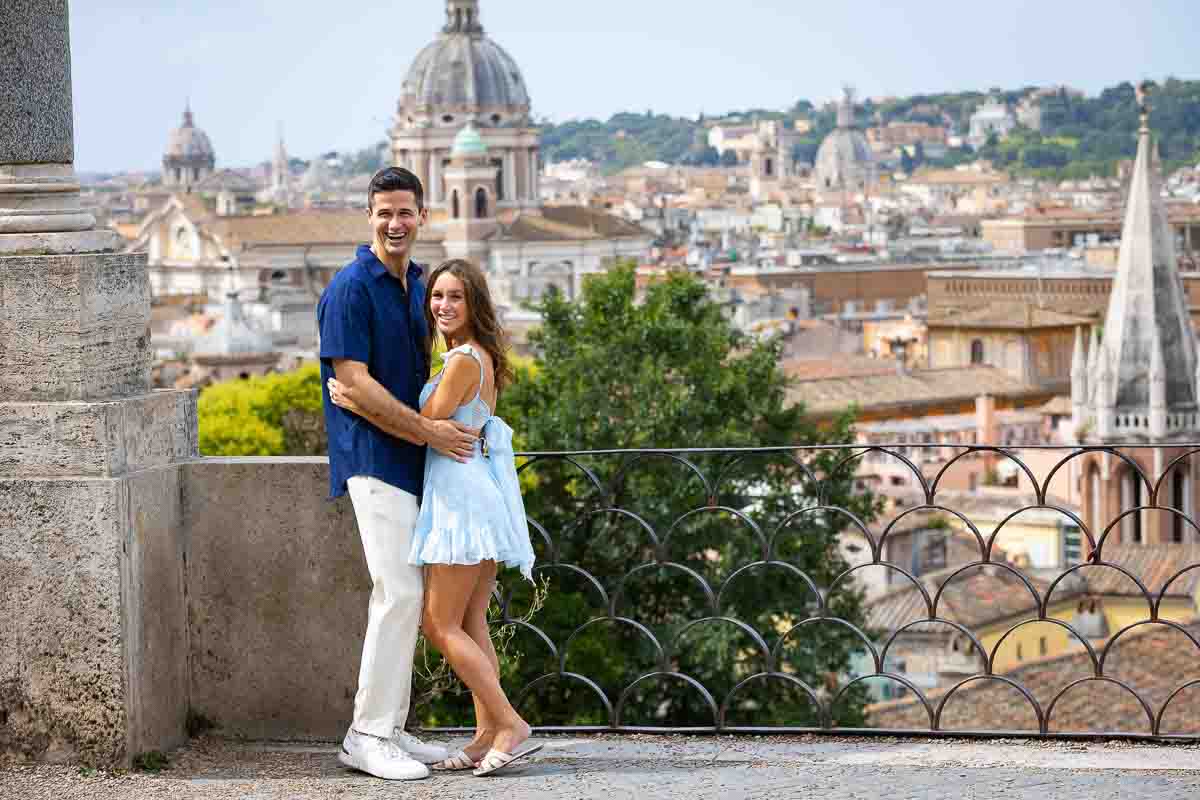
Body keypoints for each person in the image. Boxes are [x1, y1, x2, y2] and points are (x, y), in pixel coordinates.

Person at [328, 258, 541, 777]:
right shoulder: (477, 356)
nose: (442, 306)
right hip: (477, 498)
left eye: (454, 298)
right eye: (437, 297)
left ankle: (510, 723)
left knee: (439, 623)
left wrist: (359, 405)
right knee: (472, 624)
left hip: (460, 503)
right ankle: (484, 735)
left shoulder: (464, 361)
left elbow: (425, 424)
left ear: (475, 307)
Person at [318, 167, 479, 782]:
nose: (395, 223)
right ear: (369, 216)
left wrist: (429, 429)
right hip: (372, 460)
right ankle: (365, 734)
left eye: (405, 212)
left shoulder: (418, 285)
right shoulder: (351, 288)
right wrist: (429, 430)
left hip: (411, 460)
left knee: (409, 596)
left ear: (422, 216)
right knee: (399, 593)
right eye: (384, 212)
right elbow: (352, 382)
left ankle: (389, 726)